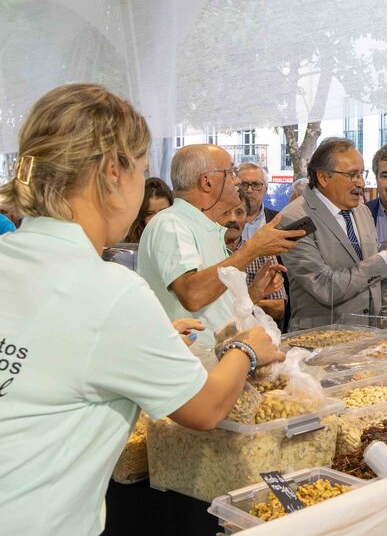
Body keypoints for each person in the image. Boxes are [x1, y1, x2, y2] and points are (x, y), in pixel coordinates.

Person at [0, 84, 283, 536]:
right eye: (143, 171)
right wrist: (246, 349)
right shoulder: (107, 288)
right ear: (114, 172)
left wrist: (158, 335)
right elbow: (205, 409)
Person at [137, 145, 300, 345]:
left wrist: (254, 292)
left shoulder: (208, 229)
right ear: (207, 182)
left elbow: (214, 307)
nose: (237, 180)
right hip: (193, 365)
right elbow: (193, 295)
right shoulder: (172, 223)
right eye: (230, 172)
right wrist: (253, 248)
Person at [279, 138, 387, 329]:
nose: (361, 182)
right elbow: (325, 287)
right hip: (320, 342)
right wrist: (386, 256)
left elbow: (376, 283)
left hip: (368, 340)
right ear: (323, 177)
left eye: (361, 174)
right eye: (352, 175)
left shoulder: (361, 211)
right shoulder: (294, 218)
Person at [221, 191, 287, 321]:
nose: (233, 219)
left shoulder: (262, 254)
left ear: (247, 218)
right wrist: (254, 300)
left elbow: (278, 308)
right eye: (226, 212)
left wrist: (234, 303)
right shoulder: (207, 250)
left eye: (239, 212)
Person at [124, 177, 173, 243]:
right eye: (150, 213)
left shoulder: (183, 237)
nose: (157, 218)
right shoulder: (128, 245)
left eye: (163, 212)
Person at [238, 162, 278, 241]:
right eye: (244, 184)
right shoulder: (221, 221)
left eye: (256, 184)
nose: (249, 190)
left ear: (266, 190)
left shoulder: (278, 220)